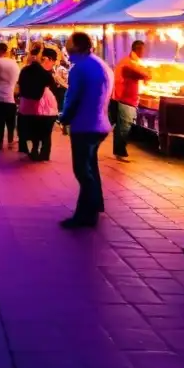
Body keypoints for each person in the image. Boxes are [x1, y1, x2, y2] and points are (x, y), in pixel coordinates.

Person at [59, 32, 114, 228]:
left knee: (82, 171)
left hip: (85, 125)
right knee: (91, 167)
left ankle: (85, 215)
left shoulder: (79, 68)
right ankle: (96, 204)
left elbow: (73, 98)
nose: (65, 47)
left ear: (77, 47)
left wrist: (64, 117)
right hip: (101, 124)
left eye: (68, 44)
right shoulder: (101, 64)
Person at [110, 39, 150, 160]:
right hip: (125, 99)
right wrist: (147, 75)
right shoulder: (129, 64)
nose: (144, 52)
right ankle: (120, 152)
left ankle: (119, 151)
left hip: (123, 98)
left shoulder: (132, 62)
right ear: (137, 49)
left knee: (121, 126)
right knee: (124, 127)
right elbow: (145, 74)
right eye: (143, 49)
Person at [18, 47, 59, 161]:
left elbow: (20, 84)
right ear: (45, 58)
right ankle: (44, 153)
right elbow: (53, 86)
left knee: (34, 131)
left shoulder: (25, 70)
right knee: (46, 133)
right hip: (46, 108)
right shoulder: (45, 73)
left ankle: (35, 150)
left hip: (28, 107)